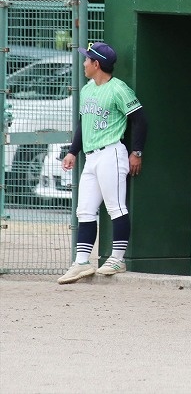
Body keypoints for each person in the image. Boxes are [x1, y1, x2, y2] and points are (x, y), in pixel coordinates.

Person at [58, 42, 148, 284]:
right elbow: (83, 124)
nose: (84, 63)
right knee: (85, 210)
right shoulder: (88, 89)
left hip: (111, 153)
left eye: (87, 59)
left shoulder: (118, 89)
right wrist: (73, 151)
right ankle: (81, 262)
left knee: (116, 207)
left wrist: (137, 152)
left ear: (96, 64)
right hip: (91, 156)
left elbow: (140, 120)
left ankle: (118, 258)